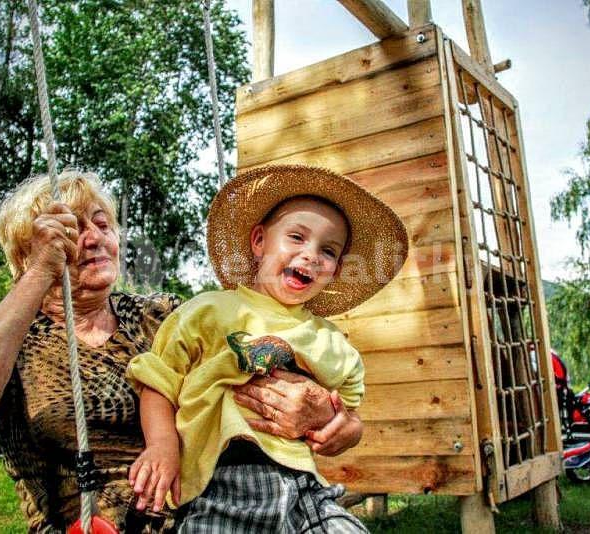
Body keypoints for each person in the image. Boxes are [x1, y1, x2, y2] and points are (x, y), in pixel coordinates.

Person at [0, 170, 359, 533]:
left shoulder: (161, 314)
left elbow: (259, 354)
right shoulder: (8, 334)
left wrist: (337, 421)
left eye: (102, 223)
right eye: (73, 228)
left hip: (214, 510)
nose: (94, 237)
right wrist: (39, 273)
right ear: (28, 248)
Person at [126, 164, 409, 532]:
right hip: (222, 484)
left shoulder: (331, 342)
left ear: (337, 270)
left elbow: (348, 411)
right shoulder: (209, 311)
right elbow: (158, 381)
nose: (310, 255)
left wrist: (347, 430)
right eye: (296, 237)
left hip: (307, 492)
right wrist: (162, 444)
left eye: (328, 251)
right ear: (258, 241)